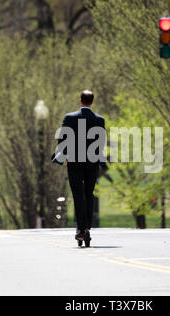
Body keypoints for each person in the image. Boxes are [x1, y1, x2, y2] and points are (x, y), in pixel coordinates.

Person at [53, 90, 106, 246]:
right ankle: (87, 228)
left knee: (78, 195)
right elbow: (100, 142)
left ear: (80, 100)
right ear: (92, 101)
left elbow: (62, 140)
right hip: (92, 162)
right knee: (89, 195)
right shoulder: (99, 120)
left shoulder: (69, 118)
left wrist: (62, 156)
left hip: (74, 162)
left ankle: (80, 230)